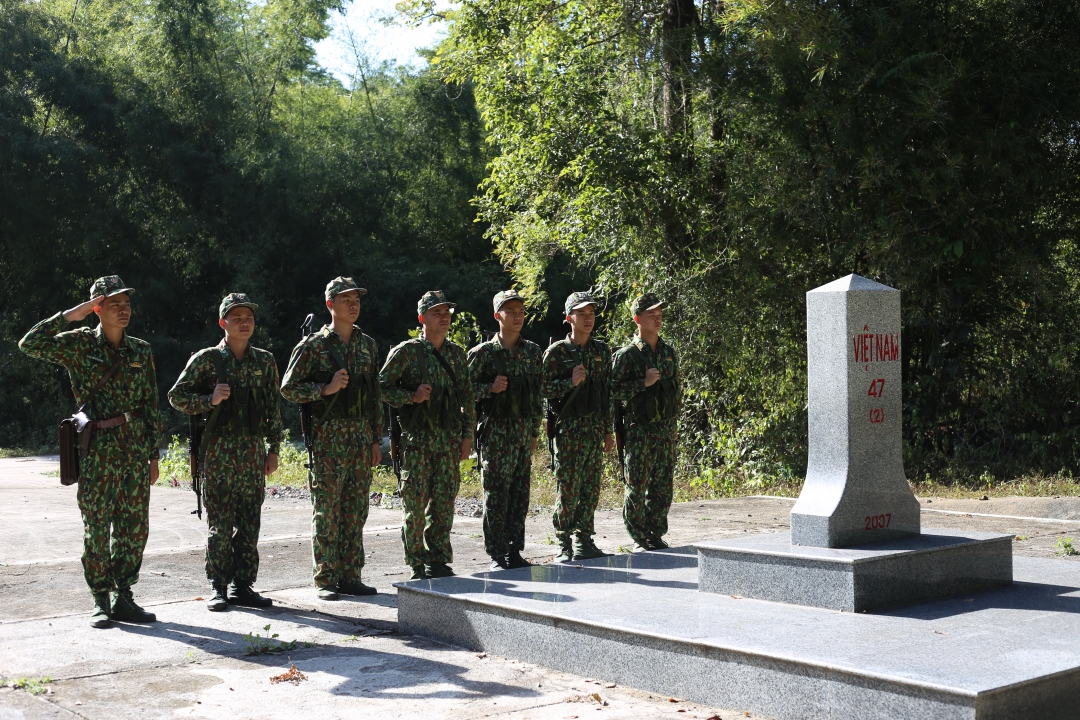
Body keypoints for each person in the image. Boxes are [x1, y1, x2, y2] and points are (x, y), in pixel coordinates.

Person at [19, 275, 162, 628]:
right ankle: (100, 598)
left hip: (132, 448)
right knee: (97, 527)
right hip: (96, 448)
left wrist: (153, 455)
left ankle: (123, 596)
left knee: (133, 527)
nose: (124, 309)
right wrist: (72, 314)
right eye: (114, 303)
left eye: (126, 303)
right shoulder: (79, 346)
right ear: (97, 308)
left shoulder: (140, 350)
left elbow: (150, 404)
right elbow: (29, 344)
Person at [168, 293, 284, 611]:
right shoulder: (207, 360)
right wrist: (209, 400)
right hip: (218, 453)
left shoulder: (265, 361)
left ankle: (242, 586)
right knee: (220, 522)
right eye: (237, 318)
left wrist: (273, 449)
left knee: (250, 522)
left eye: (249, 317)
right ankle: (218, 586)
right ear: (223, 323)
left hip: (251, 452)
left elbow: (273, 408)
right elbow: (176, 396)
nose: (244, 322)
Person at [280, 277, 383, 600]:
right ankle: (326, 578)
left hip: (359, 438)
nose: (353, 305)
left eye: (356, 299)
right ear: (330, 305)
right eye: (345, 299)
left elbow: (374, 396)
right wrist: (323, 389)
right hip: (329, 440)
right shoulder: (313, 346)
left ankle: (351, 575)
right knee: (327, 510)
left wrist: (374, 440)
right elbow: (288, 388)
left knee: (355, 510)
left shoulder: (368, 345)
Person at [379, 291, 474, 580]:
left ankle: (439, 560)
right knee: (416, 508)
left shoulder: (457, 354)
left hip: (447, 442)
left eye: (447, 312)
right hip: (416, 443)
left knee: (444, 504)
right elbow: (380, 388)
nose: (444, 317)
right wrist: (411, 396)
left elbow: (467, 397)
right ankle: (417, 563)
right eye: (437, 313)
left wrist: (467, 436)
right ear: (422, 318)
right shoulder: (407, 352)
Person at [467, 290, 544, 570]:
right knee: (497, 497)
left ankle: (514, 551)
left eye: (521, 311)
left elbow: (537, 396)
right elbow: (464, 393)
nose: (517, 316)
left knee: (519, 497)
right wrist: (489, 388)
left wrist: (535, 433)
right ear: (497, 315)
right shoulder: (482, 354)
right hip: (495, 438)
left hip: (523, 436)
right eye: (510, 311)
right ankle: (497, 554)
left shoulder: (533, 352)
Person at [541, 291, 613, 563]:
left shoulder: (601, 351)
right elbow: (544, 389)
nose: (588, 319)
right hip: (569, 432)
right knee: (568, 488)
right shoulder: (557, 352)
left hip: (593, 430)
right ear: (569, 318)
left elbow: (606, 393)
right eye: (581, 314)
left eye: (591, 314)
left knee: (591, 487)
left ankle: (584, 540)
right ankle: (563, 542)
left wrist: (608, 430)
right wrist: (568, 382)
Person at [612, 293, 682, 550]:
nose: (657, 317)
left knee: (662, 485)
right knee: (637, 484)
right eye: (651, 313)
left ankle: (656, 533)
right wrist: (643, 383)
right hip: (639, 431)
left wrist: (673, 427)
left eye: (659, 313)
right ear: (637, 319)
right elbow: (614, 392)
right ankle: (639, 536)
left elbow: (676, 393)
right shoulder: (627, 355)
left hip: (664, 430)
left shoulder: (669, 353)